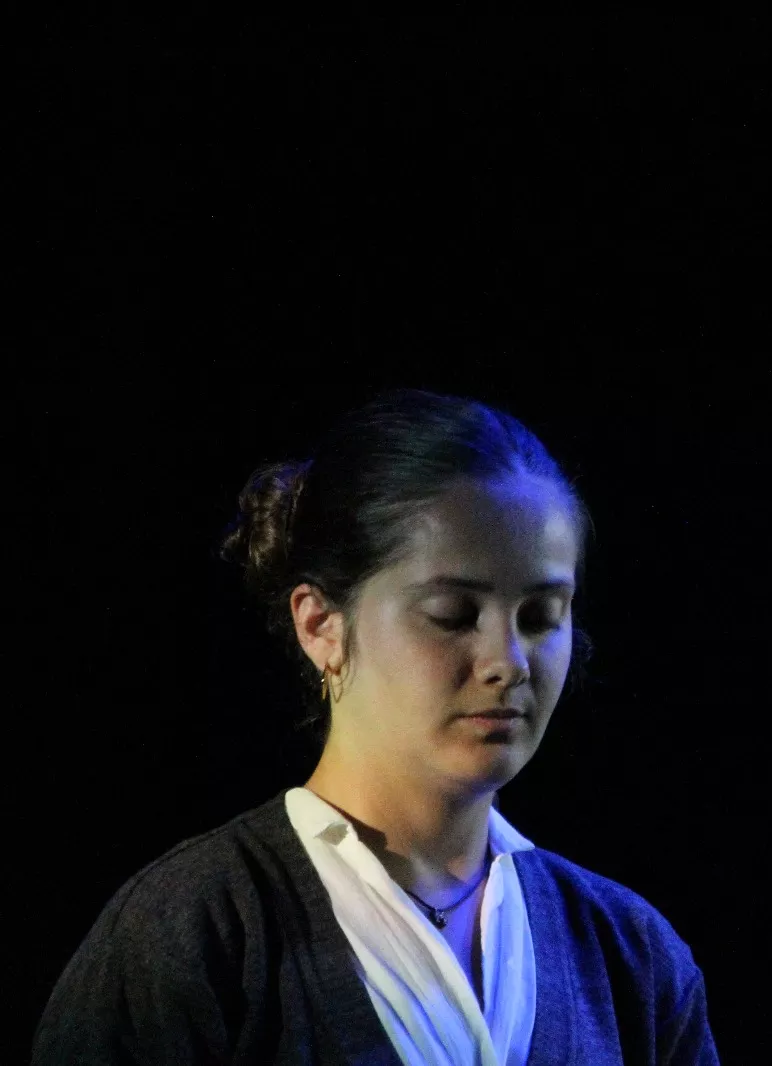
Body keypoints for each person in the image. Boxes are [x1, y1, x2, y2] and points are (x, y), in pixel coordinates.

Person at [32, 388, 720, 1065]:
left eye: (541, 618)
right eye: (452, 613)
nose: (508, 662)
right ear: (320, 625)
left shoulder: (627, 955)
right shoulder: (197, 932)